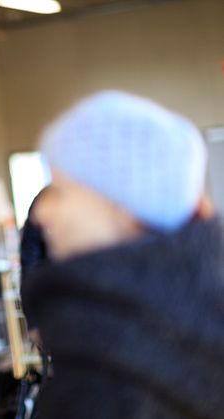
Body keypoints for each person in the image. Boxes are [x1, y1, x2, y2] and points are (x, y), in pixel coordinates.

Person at [20, 90, 224, 419]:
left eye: (61, 190)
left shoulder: (109, 379)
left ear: (127, 206)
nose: (42, 212)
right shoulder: (186, 326)